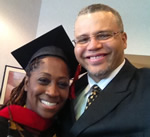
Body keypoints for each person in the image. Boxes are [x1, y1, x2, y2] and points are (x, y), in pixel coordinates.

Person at [58, 3, 150, 137]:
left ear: (123, 40)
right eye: (83, 39)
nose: (93, 46)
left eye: (103, 35)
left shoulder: (146, 86)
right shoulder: (68, 91)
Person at [0, 25, 80, 137]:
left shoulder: (64, 130)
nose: (52, 92)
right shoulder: (3, 125)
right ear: (27, 83)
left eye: (62, 84)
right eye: (44, 80)